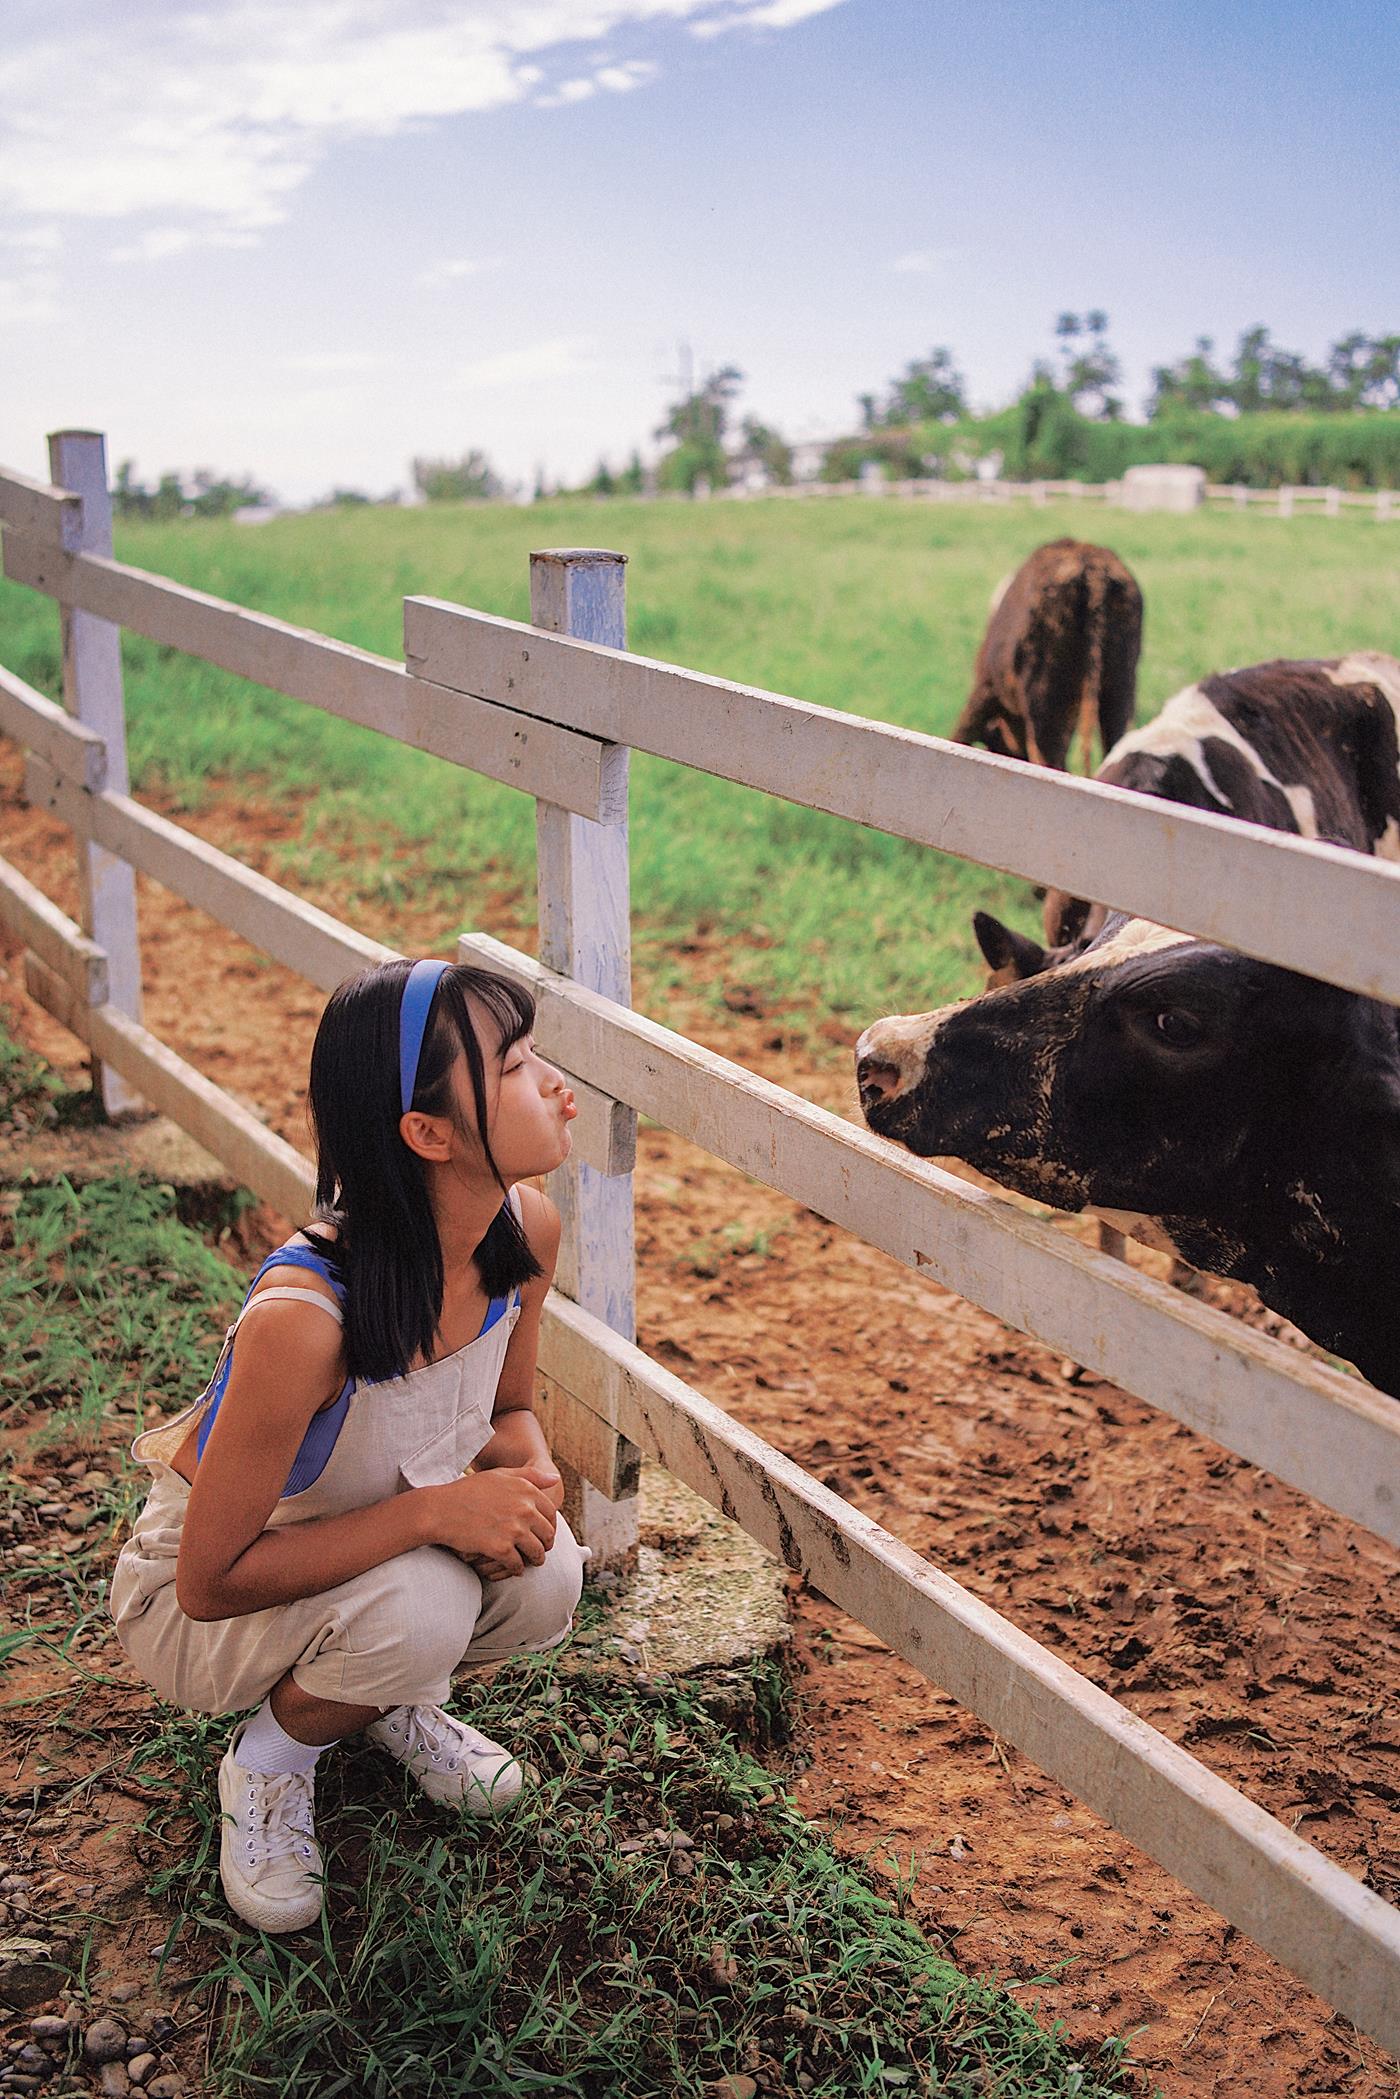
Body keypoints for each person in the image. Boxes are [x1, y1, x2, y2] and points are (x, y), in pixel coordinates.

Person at [110, 958, 589, 1933]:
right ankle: (271, 1759)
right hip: (191, 1604)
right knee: (423, 1603)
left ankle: (377, 1695)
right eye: (513, 1065)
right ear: (427, 1132)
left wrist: (527, 1469)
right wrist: (436, 1512)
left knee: (551, 1575)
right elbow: (209, 1580)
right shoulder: (305, 1316)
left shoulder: (523, 1228)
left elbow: (505, 1410)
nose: (553, 1082)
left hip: (359, 1545)